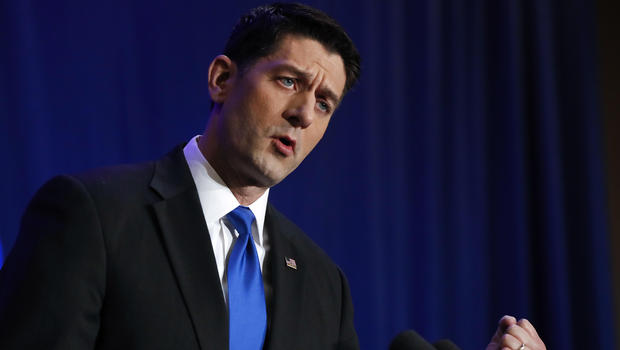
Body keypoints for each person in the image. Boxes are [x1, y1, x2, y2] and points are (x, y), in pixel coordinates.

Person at [0, 3, 545, 350]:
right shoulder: (93, 215)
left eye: (325, 102)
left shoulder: (320, 282)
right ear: (221, 79)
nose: (305, 114)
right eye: (289, 81)